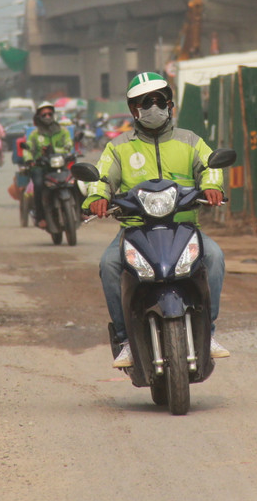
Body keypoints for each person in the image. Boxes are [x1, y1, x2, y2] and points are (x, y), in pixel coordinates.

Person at [83, 72, 229, 369]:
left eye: (158, 100)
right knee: (109, 264)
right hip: (135, 230)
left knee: (214, 255)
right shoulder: (119, 146)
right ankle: (125, 340)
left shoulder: (190, 140)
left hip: (184, 228)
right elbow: (100, 177)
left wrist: (213, 186)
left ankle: (208, 332)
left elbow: (210, 166)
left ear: (169, 104)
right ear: (133, 109)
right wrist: (96, 197)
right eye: (144, 102)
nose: (152, 106)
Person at [22, 101, 73, 228]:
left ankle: (82, 210)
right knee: (38, 186)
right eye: (44, 115)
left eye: (49, 114)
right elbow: (28, 149)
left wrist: (59, 151)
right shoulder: (35, 134)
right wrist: (30, 159)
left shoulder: (62, 131)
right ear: (39, 117)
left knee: (76, 180)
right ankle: (40, 217)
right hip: (40, 166)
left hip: (59, 165)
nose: (47, 117)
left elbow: (68, 144)